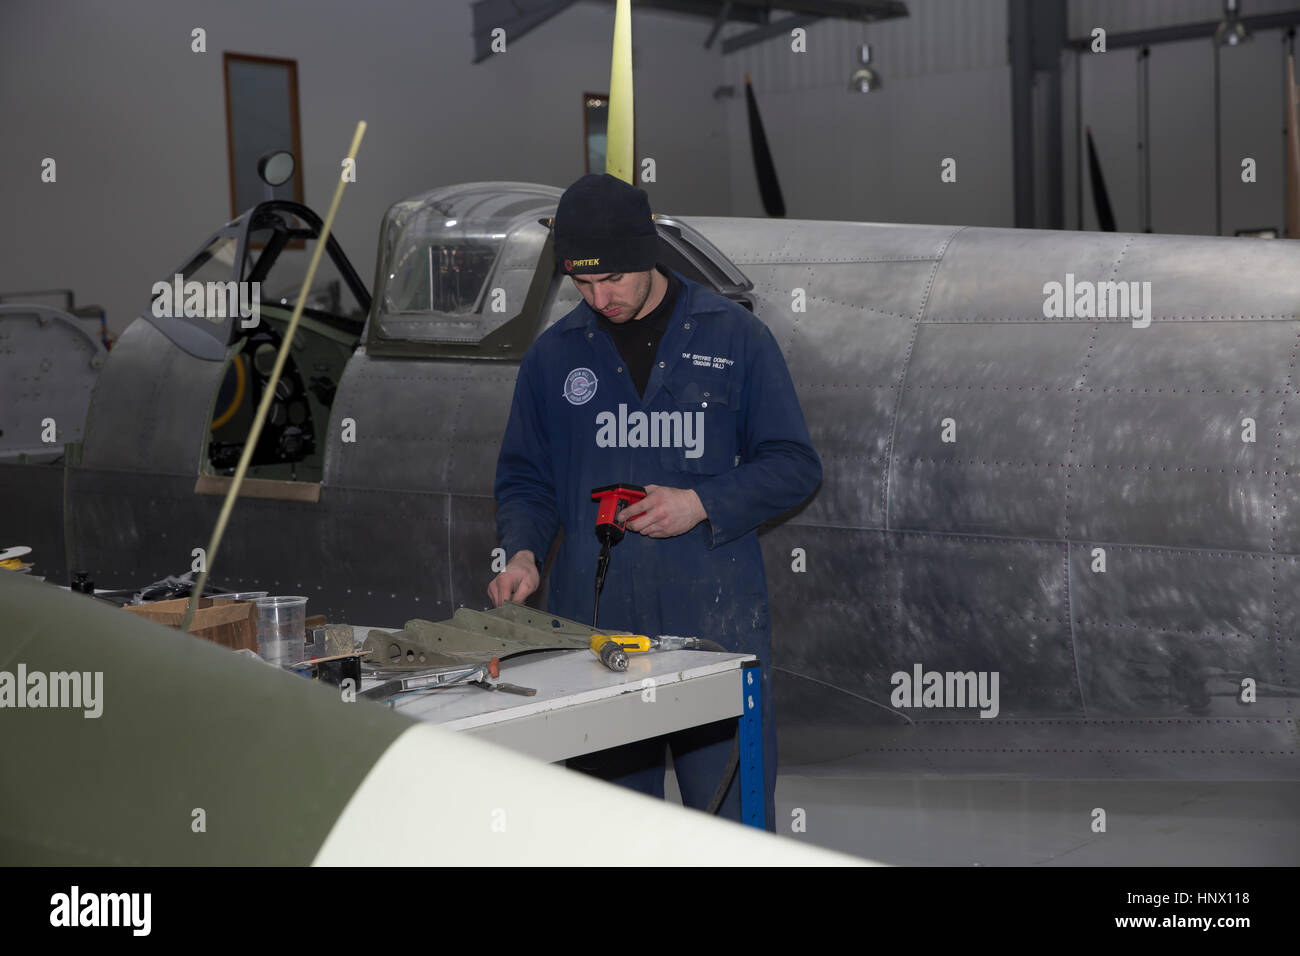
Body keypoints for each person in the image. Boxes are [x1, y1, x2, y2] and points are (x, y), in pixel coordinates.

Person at [488, 172, 820, 830]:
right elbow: (526, 478)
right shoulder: (553, 360)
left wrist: (702, 503)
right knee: (611, 827)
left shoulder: (735, 339)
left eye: (612, 279)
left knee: (731, 819)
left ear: (648, 256)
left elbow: (794, 465)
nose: (599, 297)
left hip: (713, 627)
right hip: (592, 631)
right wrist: (523, 551)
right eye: (582, 285)